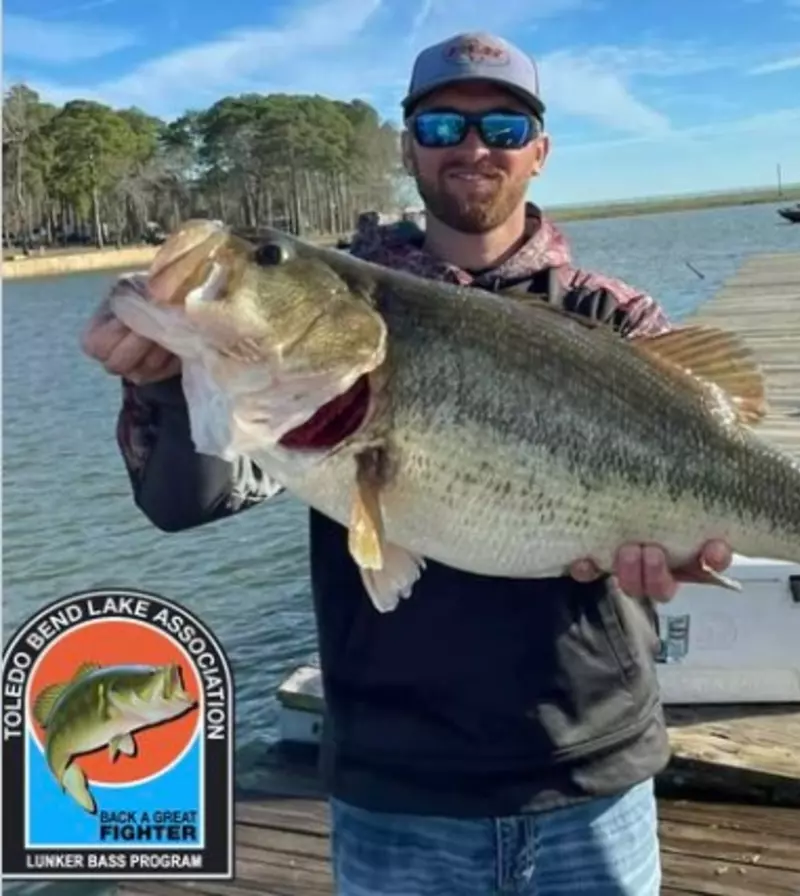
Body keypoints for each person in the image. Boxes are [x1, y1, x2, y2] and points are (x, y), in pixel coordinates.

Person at [81, 30, 733, 896]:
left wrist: (682, 553)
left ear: (539, 151)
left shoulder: (613, 316)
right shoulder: (338, 318)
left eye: (502, 128)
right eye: (441, 128)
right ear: (406, 148)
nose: (472, 148)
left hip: (591, 771)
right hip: (398, 792)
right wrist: (166, 382)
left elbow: (710, 462)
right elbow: (186, 500)